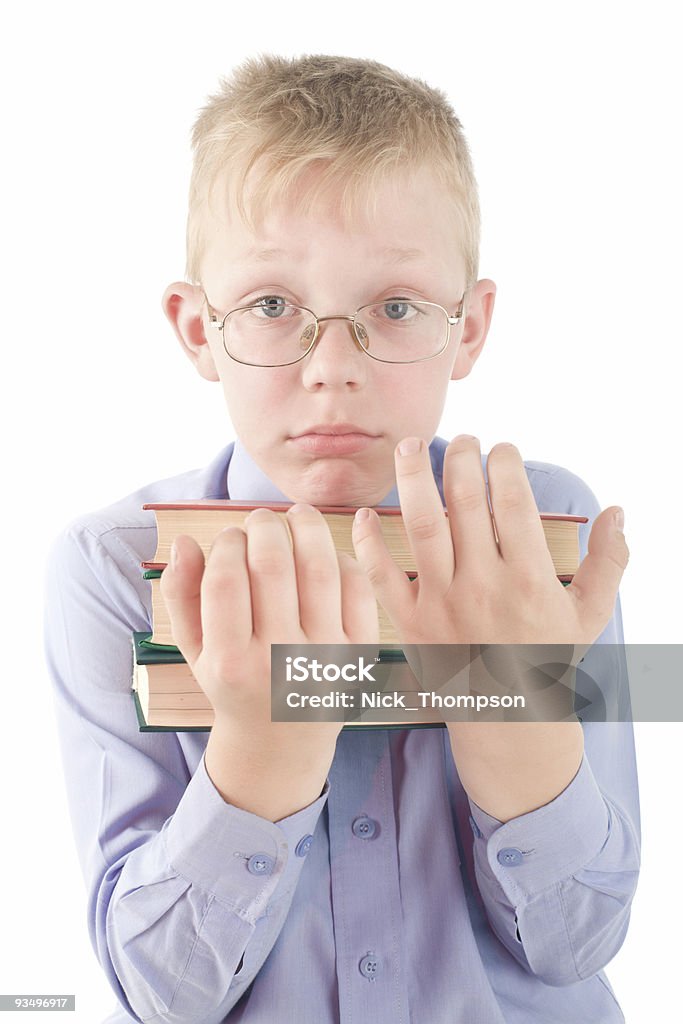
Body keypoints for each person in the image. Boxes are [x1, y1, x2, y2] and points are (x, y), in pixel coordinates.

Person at [43, 54, 640, 1024]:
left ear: (469, 326)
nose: (331, 369)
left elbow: (578, 938)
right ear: (197, 328)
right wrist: (266, 741)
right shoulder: (114, 567)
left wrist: (497, 704)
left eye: (393, 307)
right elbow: (161, 993)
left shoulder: (537, 539)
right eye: (272, 305)